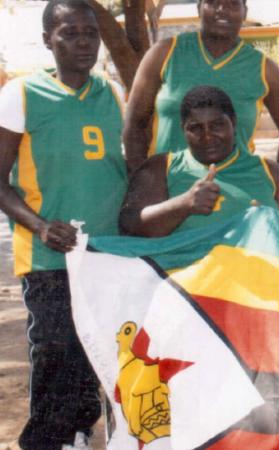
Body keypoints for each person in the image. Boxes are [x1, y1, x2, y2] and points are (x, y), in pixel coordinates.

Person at [0, 0, 128, 447]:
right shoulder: (21, 94)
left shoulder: (111, 93)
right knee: (56, 351)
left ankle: (77, 433)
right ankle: (45, 441)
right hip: (48, 255)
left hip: (107, 253)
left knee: (99, 352)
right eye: (69, 33)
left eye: (89, 33)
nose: (82, 42)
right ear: (47, 41)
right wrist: (39, 226)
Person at [120, 85, 279, 237]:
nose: (208, 136)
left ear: (234, 123)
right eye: (196, 128)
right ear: (183, 129)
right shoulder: (161, 168)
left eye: (217, 125)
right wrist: (183, 204)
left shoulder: (269, 172)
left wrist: (276, 225)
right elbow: (130, 226)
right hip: (187, 290)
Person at [123, 0, 279, 171]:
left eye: (232, 3)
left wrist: (275, 181)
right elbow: (134, 123)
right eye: (213, 2)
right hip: (168, 186)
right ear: (199, 8)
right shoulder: (165, 53)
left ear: (244, 12)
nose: (222, 9)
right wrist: (143, 178)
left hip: (235, 191)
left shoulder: (264, 69)